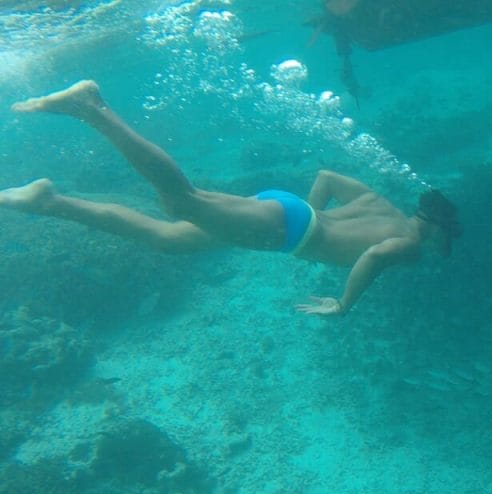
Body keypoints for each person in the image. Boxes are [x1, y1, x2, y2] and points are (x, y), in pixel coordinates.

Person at [0, 80, 462, 317]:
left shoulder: (383, 205)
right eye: (450, 240)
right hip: (286, 229)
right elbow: (377, 256)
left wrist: (308, 214)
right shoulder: (411, 244)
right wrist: (343, 304)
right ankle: (91, 107)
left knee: (169, 238)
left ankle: (49, 201)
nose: (446, 250)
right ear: (438, 227)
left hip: (288, 215)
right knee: (182, 201)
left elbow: (327, 176)